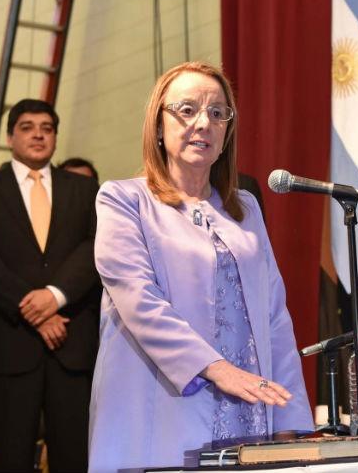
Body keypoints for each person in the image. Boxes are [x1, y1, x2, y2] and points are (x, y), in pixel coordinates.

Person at [88, 61, 313, 469]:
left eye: (217, 113)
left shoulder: (245, 208)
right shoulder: (123, 200)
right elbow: (138, 300)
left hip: (249, 412)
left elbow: (275, 317)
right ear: (158, 126)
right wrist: (216, 369)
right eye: (187, 110)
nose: (203, 123)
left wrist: (288, 417)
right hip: (163, 406)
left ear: (227, 133)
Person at [0, 99, 101, 471]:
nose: (38, 134)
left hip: (72, 346)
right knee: (10, 458)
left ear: (54, 136)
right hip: (10, 344)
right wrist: (34, 307)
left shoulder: (85, 190)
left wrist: (55, 296)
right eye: (27, 127)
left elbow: (96, 248)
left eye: (46, 128)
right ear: (10, 137)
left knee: (75, 458)